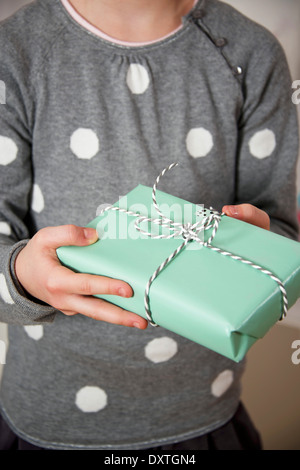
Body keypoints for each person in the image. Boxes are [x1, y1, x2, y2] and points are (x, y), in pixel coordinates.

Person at [0, 0, 298, 451]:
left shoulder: (251, 53)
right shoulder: (15, 52)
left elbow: (281, 234)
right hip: (53, 417)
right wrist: (24, 276)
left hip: (205, 410)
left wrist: (261, 245)